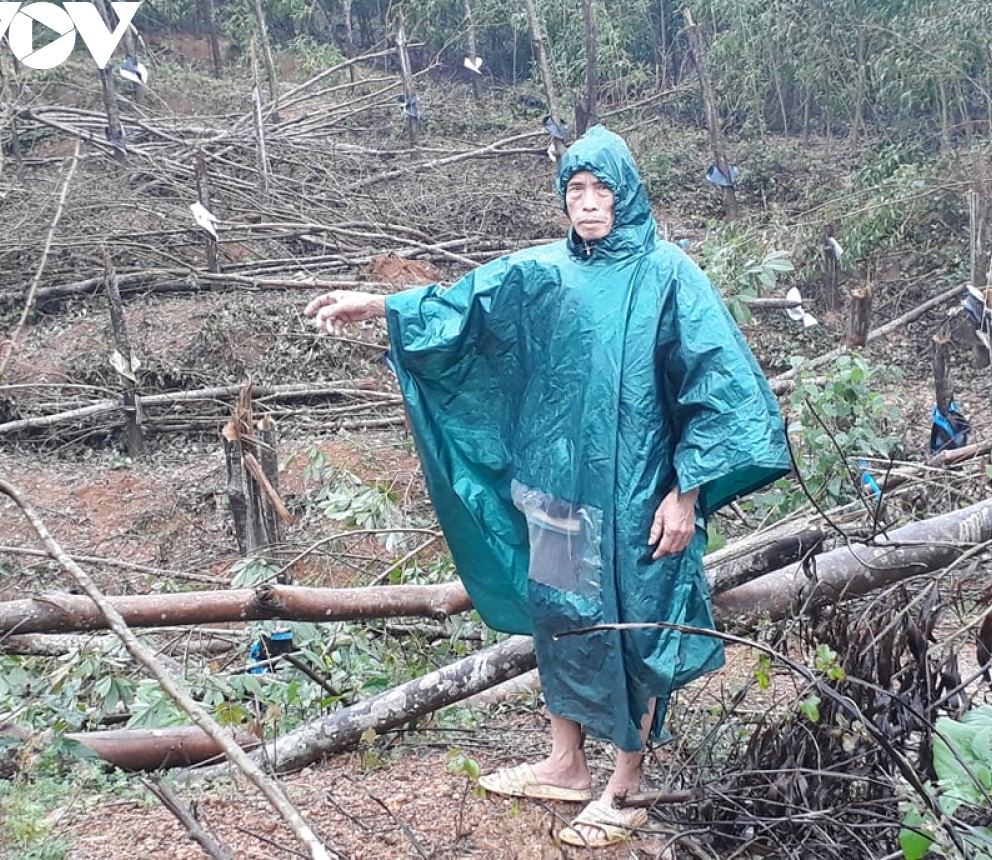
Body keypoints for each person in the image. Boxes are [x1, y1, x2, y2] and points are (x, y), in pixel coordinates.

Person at [305, 126, 790, 848]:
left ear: (626, 194)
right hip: (558, 489)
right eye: (576, 191)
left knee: (636, 627)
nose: (588, 204)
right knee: (559, 616)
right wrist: (374, 305)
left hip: (637, 498)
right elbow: (461, 305)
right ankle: (566, 764)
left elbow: (719, 388)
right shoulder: (543, 272)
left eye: (602, 191)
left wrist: (685, 492)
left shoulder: (668, 274)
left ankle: (628, 788)